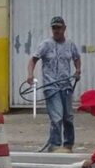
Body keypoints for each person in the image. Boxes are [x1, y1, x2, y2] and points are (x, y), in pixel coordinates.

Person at [26, 16, 81, 153]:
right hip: (51, 86)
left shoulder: (70, 44)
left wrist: (77, 70)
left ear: (64, 28)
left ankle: (68, 145)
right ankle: (55, 145)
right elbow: (33, 60)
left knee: (68, 117)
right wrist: (30, 74)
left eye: (59, 28)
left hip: (66, 85)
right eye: (54, 28)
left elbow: (77, 58)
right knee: (57, 117)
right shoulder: (46, 44)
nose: (56, 30)